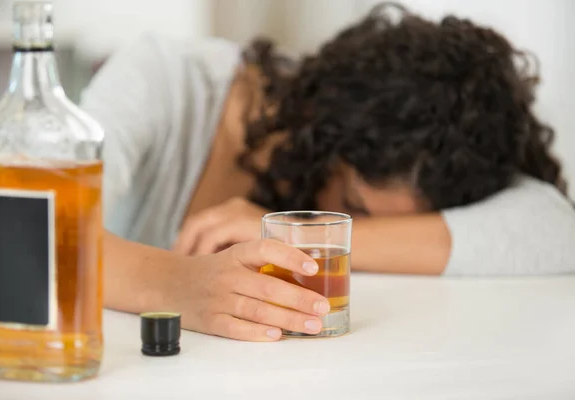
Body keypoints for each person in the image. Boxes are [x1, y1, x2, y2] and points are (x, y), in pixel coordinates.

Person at [80, 4, 575, 341]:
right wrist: (183, 285)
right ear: (327, 136)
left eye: (389, 222)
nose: (342, 218)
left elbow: (554, 228)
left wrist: (306, 239)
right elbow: (37, 228)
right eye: (355, 204)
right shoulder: (162, 80)